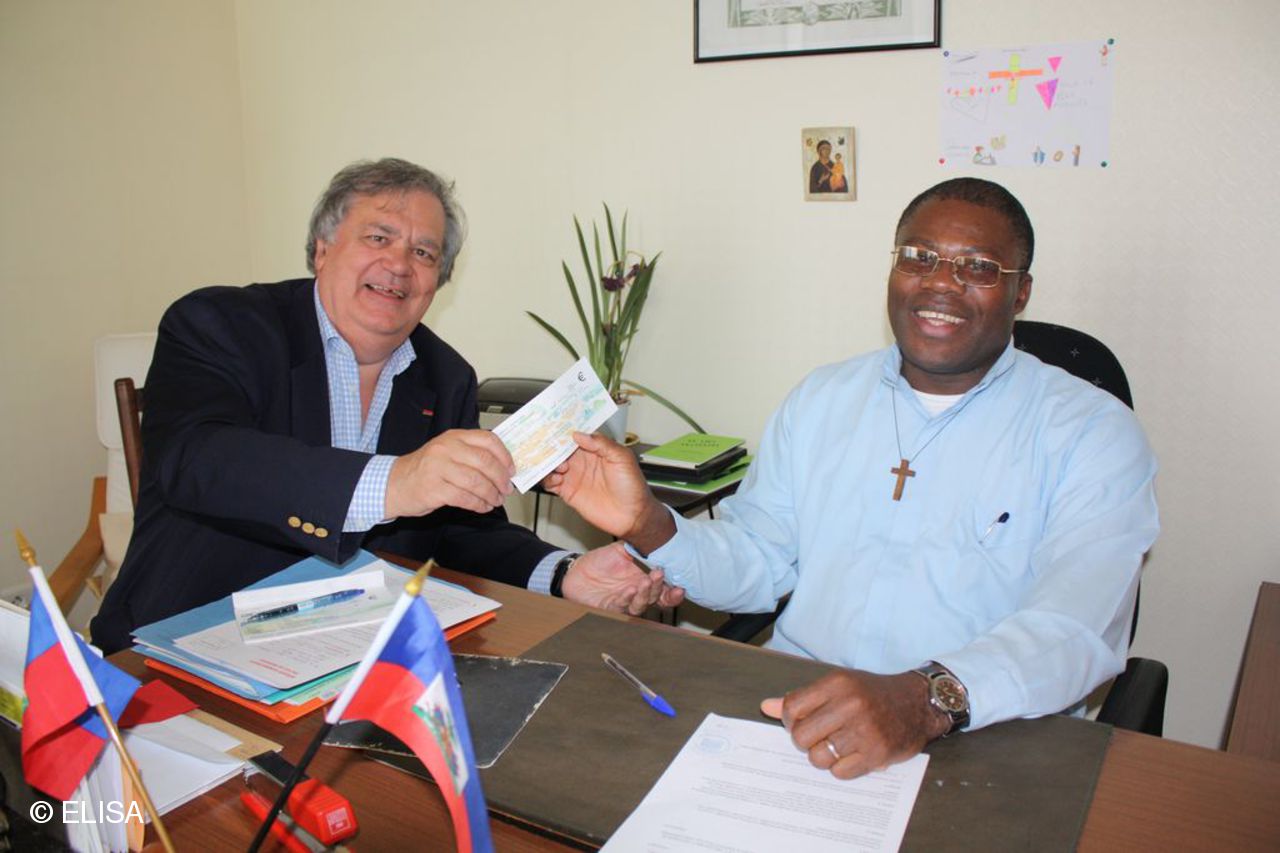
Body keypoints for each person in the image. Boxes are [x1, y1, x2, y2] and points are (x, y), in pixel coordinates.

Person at [546, 177, 1159, 779]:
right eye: (919, 257)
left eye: (978, 267)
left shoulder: (1092, 433)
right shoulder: (823, 399)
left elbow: (1074, 627)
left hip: (985, 738)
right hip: (801, 718)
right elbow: (759, 559)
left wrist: (923, 700)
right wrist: (648, 522)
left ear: (1020, 292)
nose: (940, 282)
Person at [91, 158, 676, 653]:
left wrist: (565, 573)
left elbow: (464, 533)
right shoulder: (221, 324)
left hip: (351, 653)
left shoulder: (446, 377)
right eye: (378, 238)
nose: (399, 264)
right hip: (189, 643)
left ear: (437, 282)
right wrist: (395, 482)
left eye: (423, 252)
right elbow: (199, 460)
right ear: (322, 249)